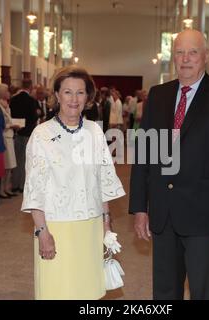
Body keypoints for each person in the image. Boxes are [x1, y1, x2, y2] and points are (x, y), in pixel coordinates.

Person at [129, 30, 209, 300]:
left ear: (206, 56)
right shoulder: (158, 95)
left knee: (204, 292)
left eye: (193, 52)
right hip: (164, 215)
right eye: (179, 52)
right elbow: (145, 156)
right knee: (164, 292)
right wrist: (139, 207)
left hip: (206, 218)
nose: (185, 59)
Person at [21, 66, 125, 300]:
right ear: (57, 95)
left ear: (88, 97)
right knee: (57, 291)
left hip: (90, 227)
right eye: (67, 92)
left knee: (88, 292)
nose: (74, 99)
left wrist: (107, 226)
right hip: (57, 227)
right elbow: (35, 188)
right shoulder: (42, 134)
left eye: (80, 92)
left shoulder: (95, 133)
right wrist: (41, 232)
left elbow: (102, 182)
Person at [10, 79, 40, 193]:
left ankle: (14, 184)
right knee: (26, 160)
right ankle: (23, 185)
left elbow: (10, 114)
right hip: (28, 133)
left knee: (17, 159)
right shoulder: (31, 100)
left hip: (17, 132)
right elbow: (33, 117)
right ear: (31, 87)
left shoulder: (13, 99)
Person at [0, 84, 19, 199]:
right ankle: (0, 189)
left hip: (9, 136)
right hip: (3, 137)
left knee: (10, 165)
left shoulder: (5, 105)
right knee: (5, 165)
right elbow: (0, 124)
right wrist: (12, 125)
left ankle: (6, 187)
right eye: (7, 91)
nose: (9, 92)